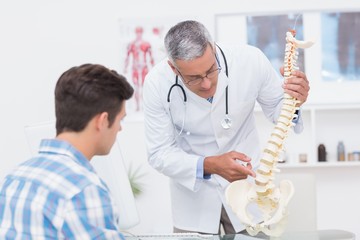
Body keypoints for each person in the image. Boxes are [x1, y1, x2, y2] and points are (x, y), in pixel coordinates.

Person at [142, 20, 309, 234]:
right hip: (194, 199)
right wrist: (210, 164)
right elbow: (159, 153)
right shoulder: (156, 84)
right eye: (193, 78)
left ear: (212, 47)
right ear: (173, 67)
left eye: (211, 70)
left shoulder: (250, 60)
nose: (206, 84)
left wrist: (294, 100)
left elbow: (278, 108)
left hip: (249, 191)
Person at [0, 64, 134, 239]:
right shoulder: (83, 189)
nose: (120, 129)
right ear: (102, 121)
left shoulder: (15, 177)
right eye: (120, 120)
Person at [124, 26, 155, 111]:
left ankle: (144, 106)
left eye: (139, 32)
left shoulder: (146, 44)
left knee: (144, 87)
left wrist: (153, 68)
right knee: (136, 87)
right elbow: (127, 57)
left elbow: (151, 57)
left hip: (144, 67)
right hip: (135, 68)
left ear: (142, 33)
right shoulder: (131, 44)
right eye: (137, 32)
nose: (138, 34)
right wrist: (125, 67)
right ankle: (137, 106)